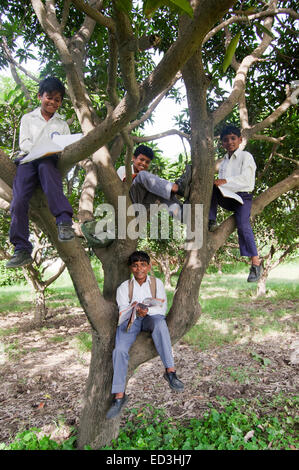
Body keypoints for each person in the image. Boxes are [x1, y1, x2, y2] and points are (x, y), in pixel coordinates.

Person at [106, 251, 184, 420]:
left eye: (143, 264)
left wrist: (146, 310)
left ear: (149, 266)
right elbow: (122, 312)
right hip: (131, 321)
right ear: (130, 268)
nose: (139, 268)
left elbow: (162, 308)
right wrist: (134, 310)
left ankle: (170, 371)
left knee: (160, 324)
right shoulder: (124, 287)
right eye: (135, 265)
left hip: (150, 318)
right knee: (119, 350)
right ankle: (119, 396)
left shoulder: (157, 283)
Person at [6, 77, 75, 269]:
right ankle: (21, 248)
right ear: (40, 96)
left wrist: (53, 150)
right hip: (28, 160)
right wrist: (41, 148)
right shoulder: (28, 119)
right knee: (18, 200)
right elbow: (25, 144)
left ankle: (64, 221)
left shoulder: (61, 124)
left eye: (57, 99)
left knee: (46, 168)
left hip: (49, 161)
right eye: (49, 97)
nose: (52, 102)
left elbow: (66, 146)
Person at [208, 124, 263, 282]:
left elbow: (247, 180)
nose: (230, 142)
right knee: (211, 186)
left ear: (239, 140)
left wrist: (225, 181)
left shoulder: (246, 157)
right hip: (228, 196)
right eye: (226, 140)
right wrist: (220, 183)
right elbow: (220, 184)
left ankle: (255, 262)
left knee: (243, 224)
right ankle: (211, 220)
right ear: (223, 144)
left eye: (233, 138)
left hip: (243, 197)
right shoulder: (224, 161)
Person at [117, 144, 192, 220]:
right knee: (145, 177)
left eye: (147, 162)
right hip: (129, 204)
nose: (144, 163)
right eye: (141, 159)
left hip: (142, 207)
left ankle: (182, 214)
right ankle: (178, 188)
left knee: (159, 190)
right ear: (133, 158)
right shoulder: (123, 169)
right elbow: (125, 182)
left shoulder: (145, 178)